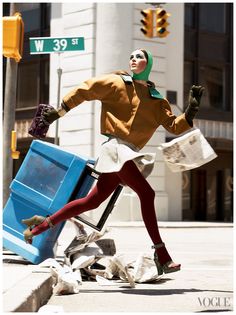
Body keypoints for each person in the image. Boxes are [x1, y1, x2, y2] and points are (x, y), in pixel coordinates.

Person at [22, 49, 204, 276]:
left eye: (140, 57)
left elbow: (174, 126)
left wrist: (191, 110)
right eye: (132, 57)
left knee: (91, 202)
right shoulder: (116, 83)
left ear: (148, 64)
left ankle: (37, 227)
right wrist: (58, 113)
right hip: (115, 149)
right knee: (147, 194)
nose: (134, 60)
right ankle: (161, 254)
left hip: (127, 153)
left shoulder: (157, 100)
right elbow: (84, 90)